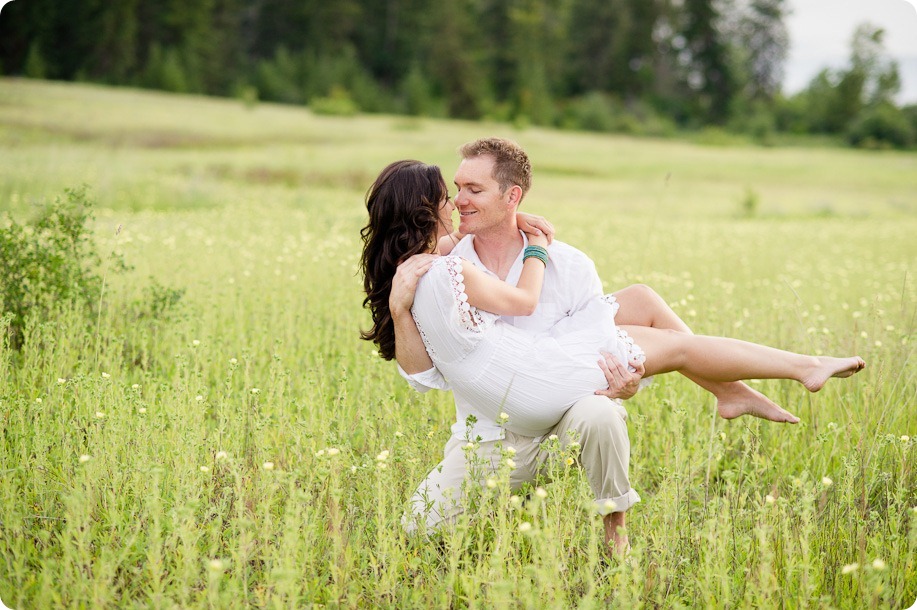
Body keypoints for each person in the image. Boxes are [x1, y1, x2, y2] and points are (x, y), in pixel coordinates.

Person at [360, 141, 865, 553]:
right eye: (454, 192)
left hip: (560, 405)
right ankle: (765, 378)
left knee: (640, 343)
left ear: (510, 196)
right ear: (431, 211)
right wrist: (403, 309)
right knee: (416, 530)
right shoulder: (447, 260)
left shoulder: (544, 263)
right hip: (494, 431)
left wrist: (620, 387)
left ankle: (777, 377)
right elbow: (425, 373)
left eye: (472, 190)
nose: (460, 200)